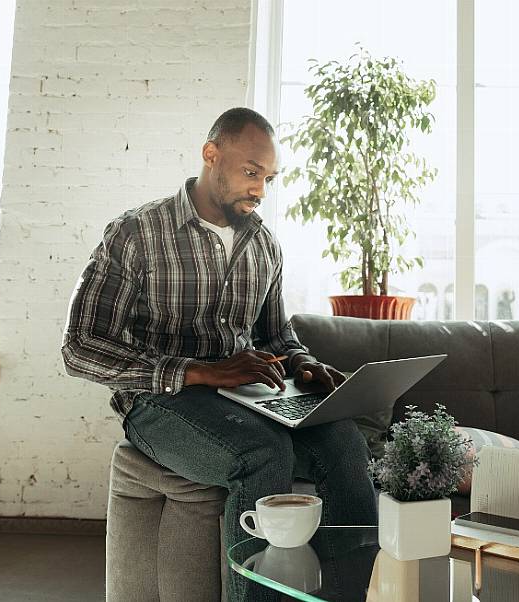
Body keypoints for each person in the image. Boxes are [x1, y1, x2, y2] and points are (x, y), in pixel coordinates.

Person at [62, 107, 379, 600]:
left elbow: (276, 336)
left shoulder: (264, 245)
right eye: (252, 173)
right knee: (261, 455)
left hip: (245, 396)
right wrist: (196, 372)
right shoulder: (136, 234)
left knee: (345, 444)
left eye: (268, 178)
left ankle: (352, 594)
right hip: (156, 402)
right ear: (212, 155)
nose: (260, 190)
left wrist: (302, 364)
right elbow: (79, 348)